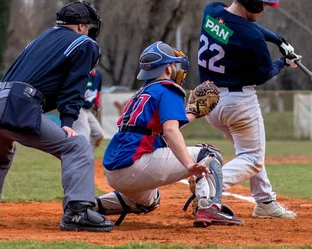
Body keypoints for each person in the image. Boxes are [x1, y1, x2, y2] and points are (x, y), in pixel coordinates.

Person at [0, 1, 114, 232]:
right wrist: (67, 122)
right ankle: (78, 212)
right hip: (16, 103)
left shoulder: (42, 38)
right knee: (76, 147)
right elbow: (74, 86)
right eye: (89, 27)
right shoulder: (85, 43)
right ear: (81, 27)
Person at [95, 41, 243, 227]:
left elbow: (156, 131)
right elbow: (170, 130)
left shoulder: (141, 93)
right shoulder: (168, 89)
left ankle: (90, 206)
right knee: (208, 153)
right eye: (173, 64)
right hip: (135, 166)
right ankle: (209, 206)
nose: (175, 69)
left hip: (114, 172)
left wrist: (191, 114)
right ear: (166, 68)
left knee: (150, 200)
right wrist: (189, 165)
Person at [196, 0, 303, 219]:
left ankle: (265, 202)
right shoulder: (252, 38)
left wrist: (277, 39)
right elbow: (263, 75)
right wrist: (284, 62)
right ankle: (208, 184)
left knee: (249, 152)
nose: (265, 8)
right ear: (253, 3)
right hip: (238, 103)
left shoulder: (212, 11)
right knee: (253, 158)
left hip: (209, 101)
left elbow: (240, 25)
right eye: (263, 4)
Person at [72, 68, 105, 149]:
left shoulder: (98, 75)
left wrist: (97, 105)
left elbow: (98, 91)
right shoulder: (83, 73)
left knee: (98, 134)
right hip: (78, 107)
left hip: (87, 109)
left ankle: (86, 156)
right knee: (84, 133)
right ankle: (80, 157)